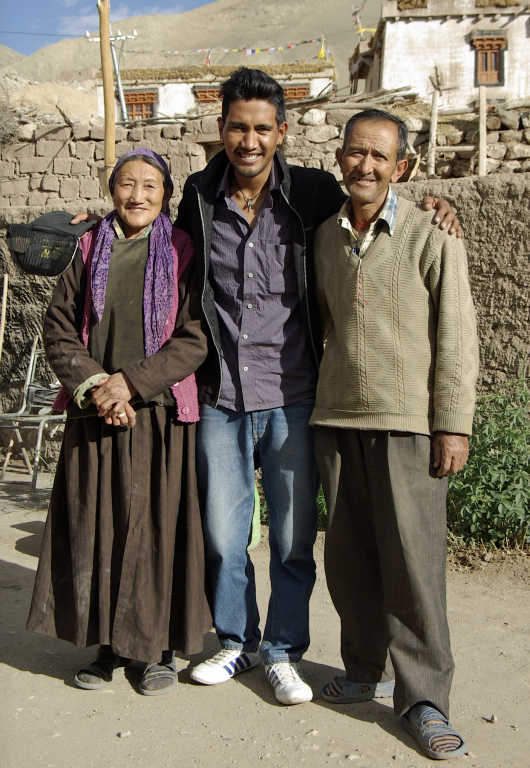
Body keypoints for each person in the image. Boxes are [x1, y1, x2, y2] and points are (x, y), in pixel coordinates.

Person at [71, 68, 463, 707]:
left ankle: (283, 650)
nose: (248, 140)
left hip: (295, 394)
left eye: (261, 128)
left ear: (282, 132)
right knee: (225, 536)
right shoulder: (198, 194)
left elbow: (373, 197)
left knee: (289, 538)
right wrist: (96, 226)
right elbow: (151, 231)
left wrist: (437, 203)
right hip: (221, 395)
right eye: (236, 127)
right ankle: (236, 640)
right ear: (220, 131)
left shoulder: (310, 192)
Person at [310, 109, 479, 757]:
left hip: (410, 426)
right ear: (339, 157)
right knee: (350, 560)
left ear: (401, 167)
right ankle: (364, 670)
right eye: (357, 153)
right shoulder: (324, 237)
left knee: (413, 564)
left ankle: (426, 697)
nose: (367, 166)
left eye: (381, 157)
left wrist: (452, 424)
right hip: (337, 422)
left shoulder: (433, 234)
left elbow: (456, 337)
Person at [27, 149, 209, 697]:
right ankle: (106, 646)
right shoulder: (87, 247)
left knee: (156, 530)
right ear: (112, 192)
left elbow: (196, 336)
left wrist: (130, 383)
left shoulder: (182, 251)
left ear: (166, 194)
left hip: (158, 417)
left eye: (149, 185)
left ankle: (156, 651)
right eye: (127, 184)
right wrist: (99, 386)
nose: (137, 196)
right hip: (95, 414)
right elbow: (58, 329)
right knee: (99, 529)